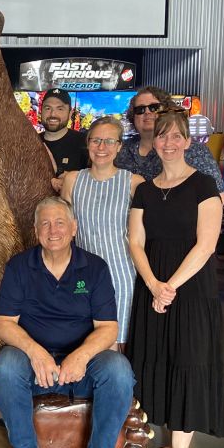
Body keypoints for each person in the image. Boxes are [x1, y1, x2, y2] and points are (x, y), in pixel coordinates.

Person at [0, 196, 135, 448]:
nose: (52, 230)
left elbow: (108, 328)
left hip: (81, 366)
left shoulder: (94, 268)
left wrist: (80, 356)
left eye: (59, 223)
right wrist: (35, 352)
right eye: (45, 223)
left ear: (73, 228)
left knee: (119, 370)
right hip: (36, 366)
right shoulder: (19, 266)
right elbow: (3, 323)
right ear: (36, 229)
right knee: (5, 366)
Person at [128, 108, 224, 448]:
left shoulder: (204, 185)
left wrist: (170, 287)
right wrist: (153, 283)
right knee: (159, 360)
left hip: (190, 288)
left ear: (188, 142)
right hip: (152, 286)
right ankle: (169, 443)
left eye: (176, 137)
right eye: (162, 136)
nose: (168, 143)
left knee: (187, 359)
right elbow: (135, 241)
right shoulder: (145, 190)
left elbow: (206, 244)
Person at [61, 117, 143, 349]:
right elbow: (66, 232)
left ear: (119, 146)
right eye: (96, 140)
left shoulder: (133, 183)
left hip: (122, 272)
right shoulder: (73, 179)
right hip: (82, 272)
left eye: (109, 141)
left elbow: (141, 235)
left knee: (118, 341)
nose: (101, 147)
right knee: (85, 340)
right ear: (88, 143)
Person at [116, 86, 224, 195]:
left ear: (167, 111)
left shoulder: (195, 150)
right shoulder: (119, 150)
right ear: (132, 116)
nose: (147, 112)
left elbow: (218, 196)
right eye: (140, 109)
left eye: (154, 107)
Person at [38, 88, 88, 191]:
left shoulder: (84, 143)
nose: (52, 114)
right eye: (47, 108)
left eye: (60, 109)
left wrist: (69, 179)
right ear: (41, 111)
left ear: (70, 113)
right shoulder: (31, 141)